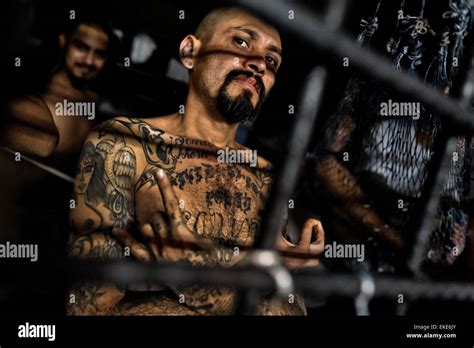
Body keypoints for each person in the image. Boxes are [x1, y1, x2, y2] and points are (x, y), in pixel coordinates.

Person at [67, 6, 325, 316]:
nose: (259, 64)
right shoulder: (123, 144)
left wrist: (188, 279)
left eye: (271, 60)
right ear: (190, 52)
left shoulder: (264, 176)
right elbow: (85, 308)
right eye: (241, 42)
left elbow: (292, 310)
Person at [1, 17, 113, 173]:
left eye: (99, 54)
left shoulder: (94, 100)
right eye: (81, 47)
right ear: (63, 42)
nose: (89, 61)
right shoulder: (38, 92)